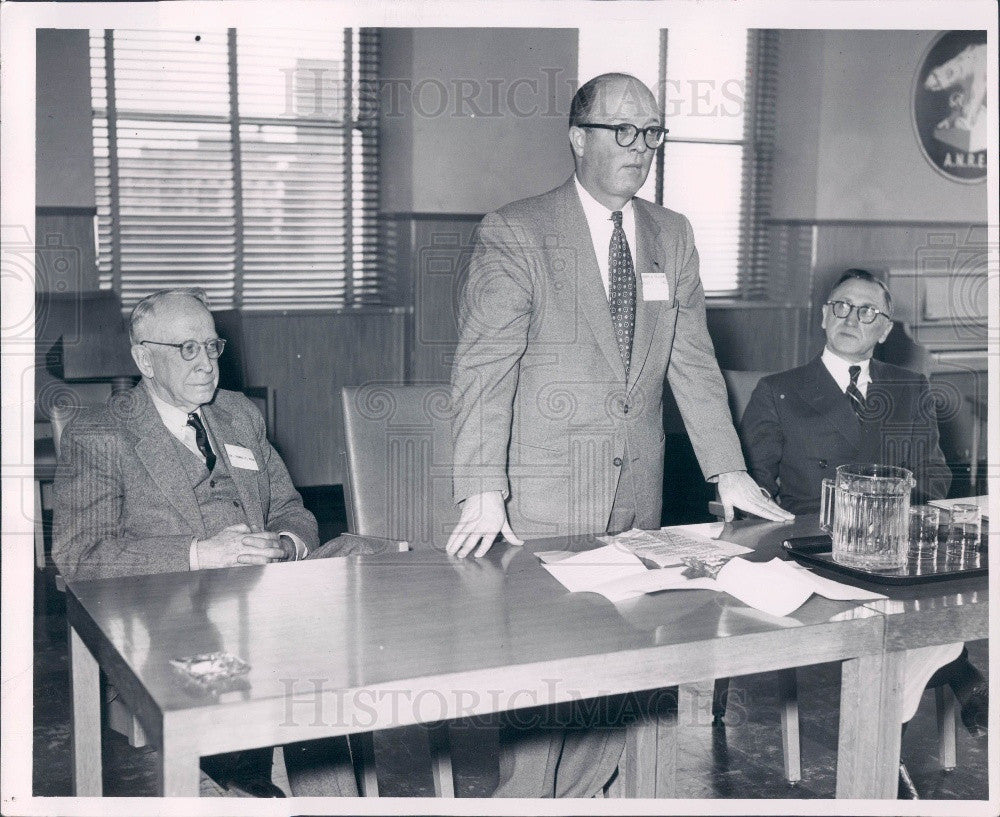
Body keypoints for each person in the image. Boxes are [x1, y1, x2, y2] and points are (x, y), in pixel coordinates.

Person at [446, 73, 793, 797]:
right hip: (542, 503)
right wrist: (481, 488)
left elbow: (694, 363)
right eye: (622, 131)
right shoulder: (517, 230)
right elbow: (483, 369)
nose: (641, 147)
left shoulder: (674, 234)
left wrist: (727, 470)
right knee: (545, 707)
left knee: (623, 698)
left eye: (653, 132)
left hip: (637, 501)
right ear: (578, 137)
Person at [53, 287, 358, 798]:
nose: (206, 364)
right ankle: (243, 781)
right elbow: (80, 556)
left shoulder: (239, 414)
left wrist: (285, 542)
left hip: (267, 604)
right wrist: (200, 553)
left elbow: (291, 509)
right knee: (287, 681)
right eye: (186, 349)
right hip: (169, 616)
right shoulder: (101, 433)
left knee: (356, 606)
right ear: (143, 359)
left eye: (212, 347)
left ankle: (312, 794)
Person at [740, 269, 987, 795]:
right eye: (841, 307)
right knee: (896, 613)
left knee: (945, 590)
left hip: (897, 543)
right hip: (816, 547)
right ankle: (947, 697)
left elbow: (938, 477)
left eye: (867, 311)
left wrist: (893, 509)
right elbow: (753, 497)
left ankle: (884, 750)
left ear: (885, 328)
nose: (852, 318)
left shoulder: (910, 387)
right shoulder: (778, 391)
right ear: (824, 316)